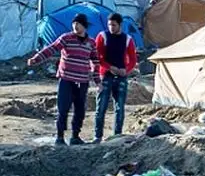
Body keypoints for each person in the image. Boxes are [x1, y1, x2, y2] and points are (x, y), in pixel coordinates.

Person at [27, 13, 99, 145]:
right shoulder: (66, 38)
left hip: (82, 81)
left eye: (78, 24)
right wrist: (36, 59)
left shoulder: (91, 42)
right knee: (63, 109)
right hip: (66, 79)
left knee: (80, 110)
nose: (75, 26)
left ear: (84, 26)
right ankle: (60, 137)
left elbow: (95, 62)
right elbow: (52, 48)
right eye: (74, 23)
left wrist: (97, 80)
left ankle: (75, 137)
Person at [94, 12, 138, 142]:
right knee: (101, 107)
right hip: (105, 75)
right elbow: (98, 56)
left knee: (120, 107)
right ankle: (98, 136)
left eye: (114, 25)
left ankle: (117, 135)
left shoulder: (128, 39)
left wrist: (126, 70)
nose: (111, 27)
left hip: (121, 77)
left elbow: (133, 59)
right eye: (109, 25)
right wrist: (109, 67)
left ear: (120, 25)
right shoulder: (102, 36)